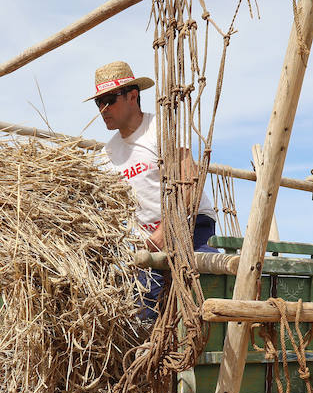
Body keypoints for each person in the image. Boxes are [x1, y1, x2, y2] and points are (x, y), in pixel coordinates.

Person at [91, 60, 218, 253]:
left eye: (109, 100)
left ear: (132, 96)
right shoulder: (108, 154)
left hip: (191, 223)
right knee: (143, 283)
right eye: (98, 102)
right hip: (149, 242)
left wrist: (165, 230)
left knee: (203, 278)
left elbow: (189, 181)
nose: (103, 108)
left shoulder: (162, 130)